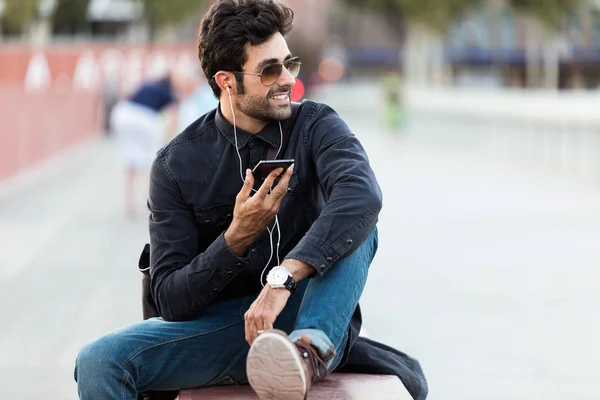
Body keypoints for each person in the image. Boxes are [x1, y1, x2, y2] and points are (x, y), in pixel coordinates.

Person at [75, 1, 427, 400]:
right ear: (226, 81)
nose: (286, 80)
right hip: (226, 330)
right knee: (97, 360)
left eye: (288, 64)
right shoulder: (176, 165)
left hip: (309, 315)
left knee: (357, 219)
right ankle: (285, 356)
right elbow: (170, 299)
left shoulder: (317, 125)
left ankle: (304, 355)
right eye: (268, 70)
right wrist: (234, 240)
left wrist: (283, 278)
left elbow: (362, 197)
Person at [110, 67, 196, 216]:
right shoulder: (169, 93)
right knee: (153, 160)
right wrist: (171, 143)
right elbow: (174, 119)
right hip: (142, 118)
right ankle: (152, 200)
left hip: (121, 114)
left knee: (131, 159)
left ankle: (130, 203)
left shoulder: (153, 84)